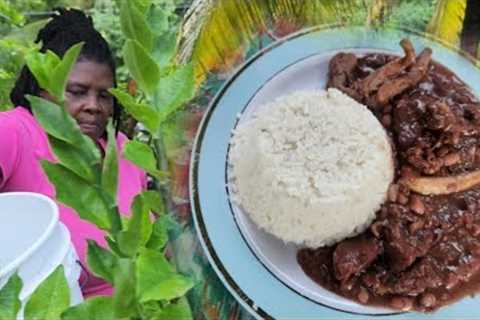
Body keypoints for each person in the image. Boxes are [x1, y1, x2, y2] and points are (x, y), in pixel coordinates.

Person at [0, 8, 146, 297]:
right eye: (77, 91)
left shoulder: (125, 152)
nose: (94, 105)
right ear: (44, 90)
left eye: (104, 95)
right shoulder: (14, 134)